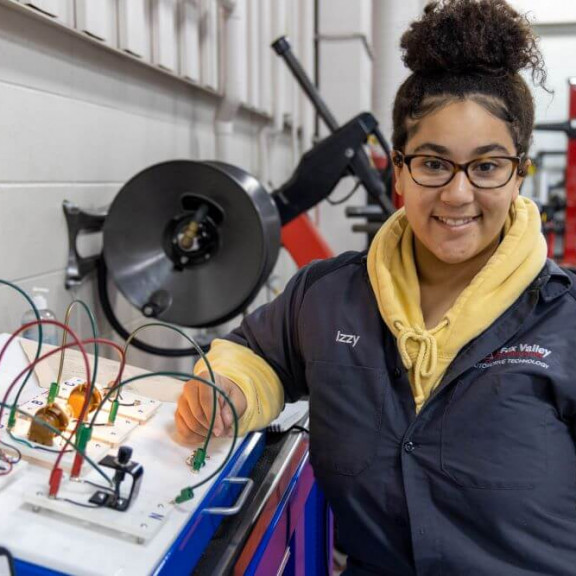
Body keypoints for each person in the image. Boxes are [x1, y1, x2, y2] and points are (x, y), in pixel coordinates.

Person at [176, 0, 576, 574]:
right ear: (399, 172)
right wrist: (229, 393)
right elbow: (252, 355)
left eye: (486, 166)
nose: (458, 193)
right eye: (434, 164)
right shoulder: (329, 296)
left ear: (519, 172)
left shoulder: (565, 322)